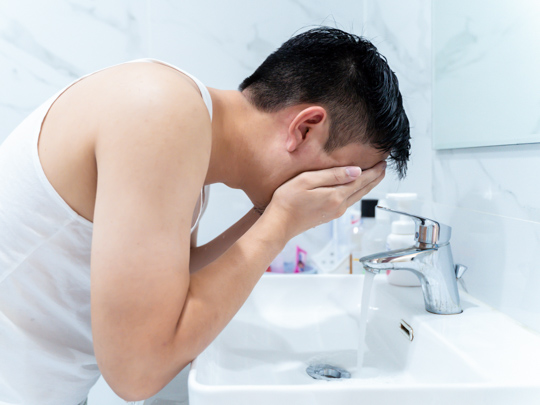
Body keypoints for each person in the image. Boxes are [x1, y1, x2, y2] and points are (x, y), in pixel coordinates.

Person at [0, 27, 410, 404]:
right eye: (347, 175)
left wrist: (278, 217)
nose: (341, 194)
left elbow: (171, 290)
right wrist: (280, 222)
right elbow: (137, 373)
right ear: (305, 128)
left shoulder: (187, 126)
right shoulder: (161, 111)